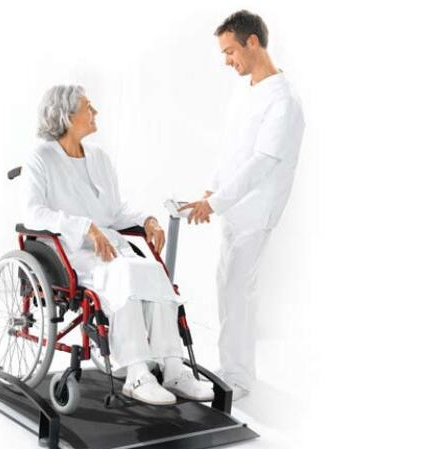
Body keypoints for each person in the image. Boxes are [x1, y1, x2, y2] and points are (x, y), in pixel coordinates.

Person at [22, 85, 213, 405]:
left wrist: (147, 220)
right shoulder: (40, 157)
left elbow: (113, 212)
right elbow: (33, 213)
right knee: (124, 274)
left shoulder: (98, 157)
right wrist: (85, 228)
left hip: (110, 247)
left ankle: (173, 367)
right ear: (66, 116)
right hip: (69, 251)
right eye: (88, 107)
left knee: (152, 271)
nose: (95, 112)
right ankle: (137, 373)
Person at [179, 10, 305, 400]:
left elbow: (262, 163)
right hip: (232, 208)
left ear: (253, 42)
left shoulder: (283, 100)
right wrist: (210, 192)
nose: (226, 60)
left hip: (256, 211)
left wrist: (215, 202)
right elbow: (232, 150)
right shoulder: (246, 90)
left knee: (237, 290)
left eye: (230, 51)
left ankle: (239, 378)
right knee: (227, 287)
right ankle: (232, 368)